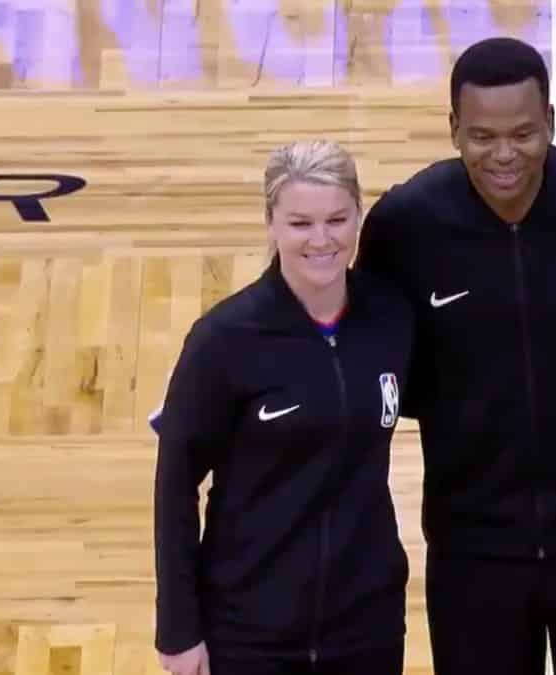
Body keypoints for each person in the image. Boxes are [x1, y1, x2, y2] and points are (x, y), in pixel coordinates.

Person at [353, 36, 556, 675]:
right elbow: (372, 359)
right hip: (474, 546)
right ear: (452, 130)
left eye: (524, 133)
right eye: (481, 136)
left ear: (551, 123)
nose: (504, 155)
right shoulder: (405, 226)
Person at [151, 140, 414, 675]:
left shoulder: (391, 319)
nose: (322, 240)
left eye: (337, 219)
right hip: (250, 632)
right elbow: (175, 486)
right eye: (300, 223)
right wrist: (178, 629)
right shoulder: (224, 340)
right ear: (271, 223)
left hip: (367, 627)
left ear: (359, 218)